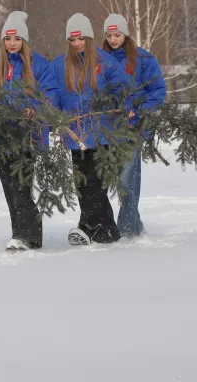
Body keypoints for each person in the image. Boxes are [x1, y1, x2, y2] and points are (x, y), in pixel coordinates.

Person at [0, 11, 55, 252]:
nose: (12, 44)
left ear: (24, 41)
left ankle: (25, 235)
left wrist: (34, 110)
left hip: (27, 134)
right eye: (8, 39)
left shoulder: (39, 65)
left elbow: (50, 94)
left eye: (17, 39)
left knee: (21, 185)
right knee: (10, 186)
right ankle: (23, 233)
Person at [46, 13, 128, 245]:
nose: (77, 43)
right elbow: (51, 93)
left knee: (94, 181)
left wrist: (114, 105)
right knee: (82, 181)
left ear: (89, 38)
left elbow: (121, 90)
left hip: (102, 132)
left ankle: (88, 227)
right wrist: (55, 114)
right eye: (72, 40)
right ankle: (108, 229)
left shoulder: (106, 62)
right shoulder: (59, 65)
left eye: (81, 38)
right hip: (75, 133)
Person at [102, 13, 167, 237]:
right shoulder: (99, 59)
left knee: (127, 178)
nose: (113, 39)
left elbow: (157, 91)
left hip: (132, 129)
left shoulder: (144, 60)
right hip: (105, 130)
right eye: (109, 35)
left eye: (117, 34)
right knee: (108, 181)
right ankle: (135, 225)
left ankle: (127, 229)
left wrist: (138, 113)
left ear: (125, 34)